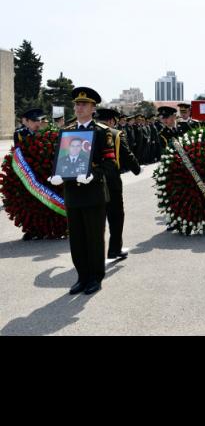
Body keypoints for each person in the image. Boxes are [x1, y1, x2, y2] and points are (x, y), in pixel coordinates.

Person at [48, 87, 112, 295]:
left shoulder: (102, 132)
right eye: (76, 104)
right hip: (73, 194)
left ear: (93, 108)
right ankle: (82, 276)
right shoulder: (67, 131)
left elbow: (110, 163)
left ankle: (95, 277)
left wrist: (93, 172)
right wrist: (56, 173)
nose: (78, 107)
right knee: (76, 239)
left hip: (93, 193)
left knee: (94, 238)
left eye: (83, 104)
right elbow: (60, 158)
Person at [95, 108, 141, 260]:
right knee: (115, 217)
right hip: (111, 181)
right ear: (111, 121)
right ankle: (114, 249)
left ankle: (95, 253)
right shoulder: (115, 134)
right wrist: (137, 169)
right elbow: (127, 155)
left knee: (95, 218)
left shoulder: (89, 132)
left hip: (92, 182)